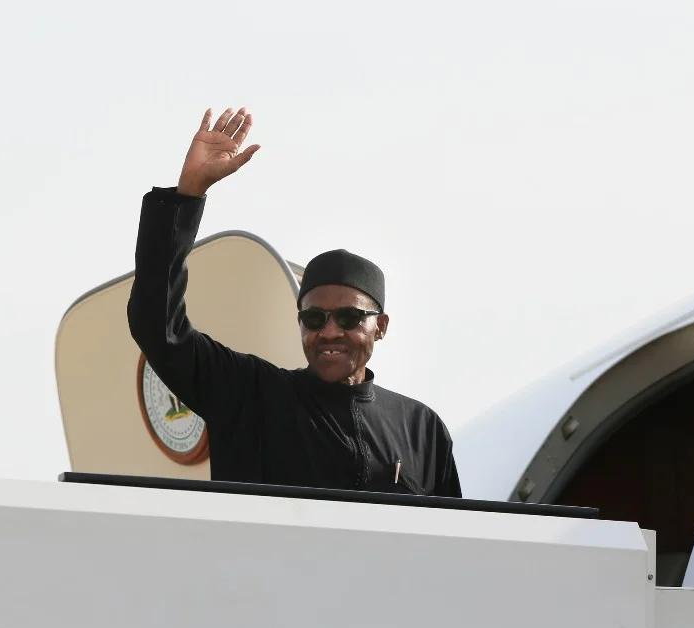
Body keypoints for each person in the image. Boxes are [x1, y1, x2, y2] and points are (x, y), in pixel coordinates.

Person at [127, 106, 462, 497]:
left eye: (349, 317)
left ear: (381, 326)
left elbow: (453, 532)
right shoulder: (251, 395)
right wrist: (187, 196)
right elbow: (158, 327)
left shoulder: (422, 429)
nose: (329, 332)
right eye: (315, 318)